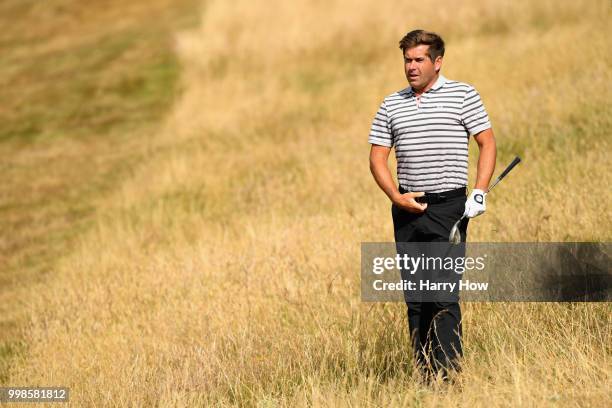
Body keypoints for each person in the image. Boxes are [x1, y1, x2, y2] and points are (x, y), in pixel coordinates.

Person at [368, 29, 497, 381]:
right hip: (407, 208)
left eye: (418, 59)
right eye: (407, 60)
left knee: (442, 294)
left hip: (449, 208)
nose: (411, 66)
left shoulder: (463, 95)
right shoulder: (391, 104)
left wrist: (480, 191)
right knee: (416, 298)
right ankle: (426, 377)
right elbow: (378, 158)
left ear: (437, 62)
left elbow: (486, 143)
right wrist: (396, 196)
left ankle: (450, 377)